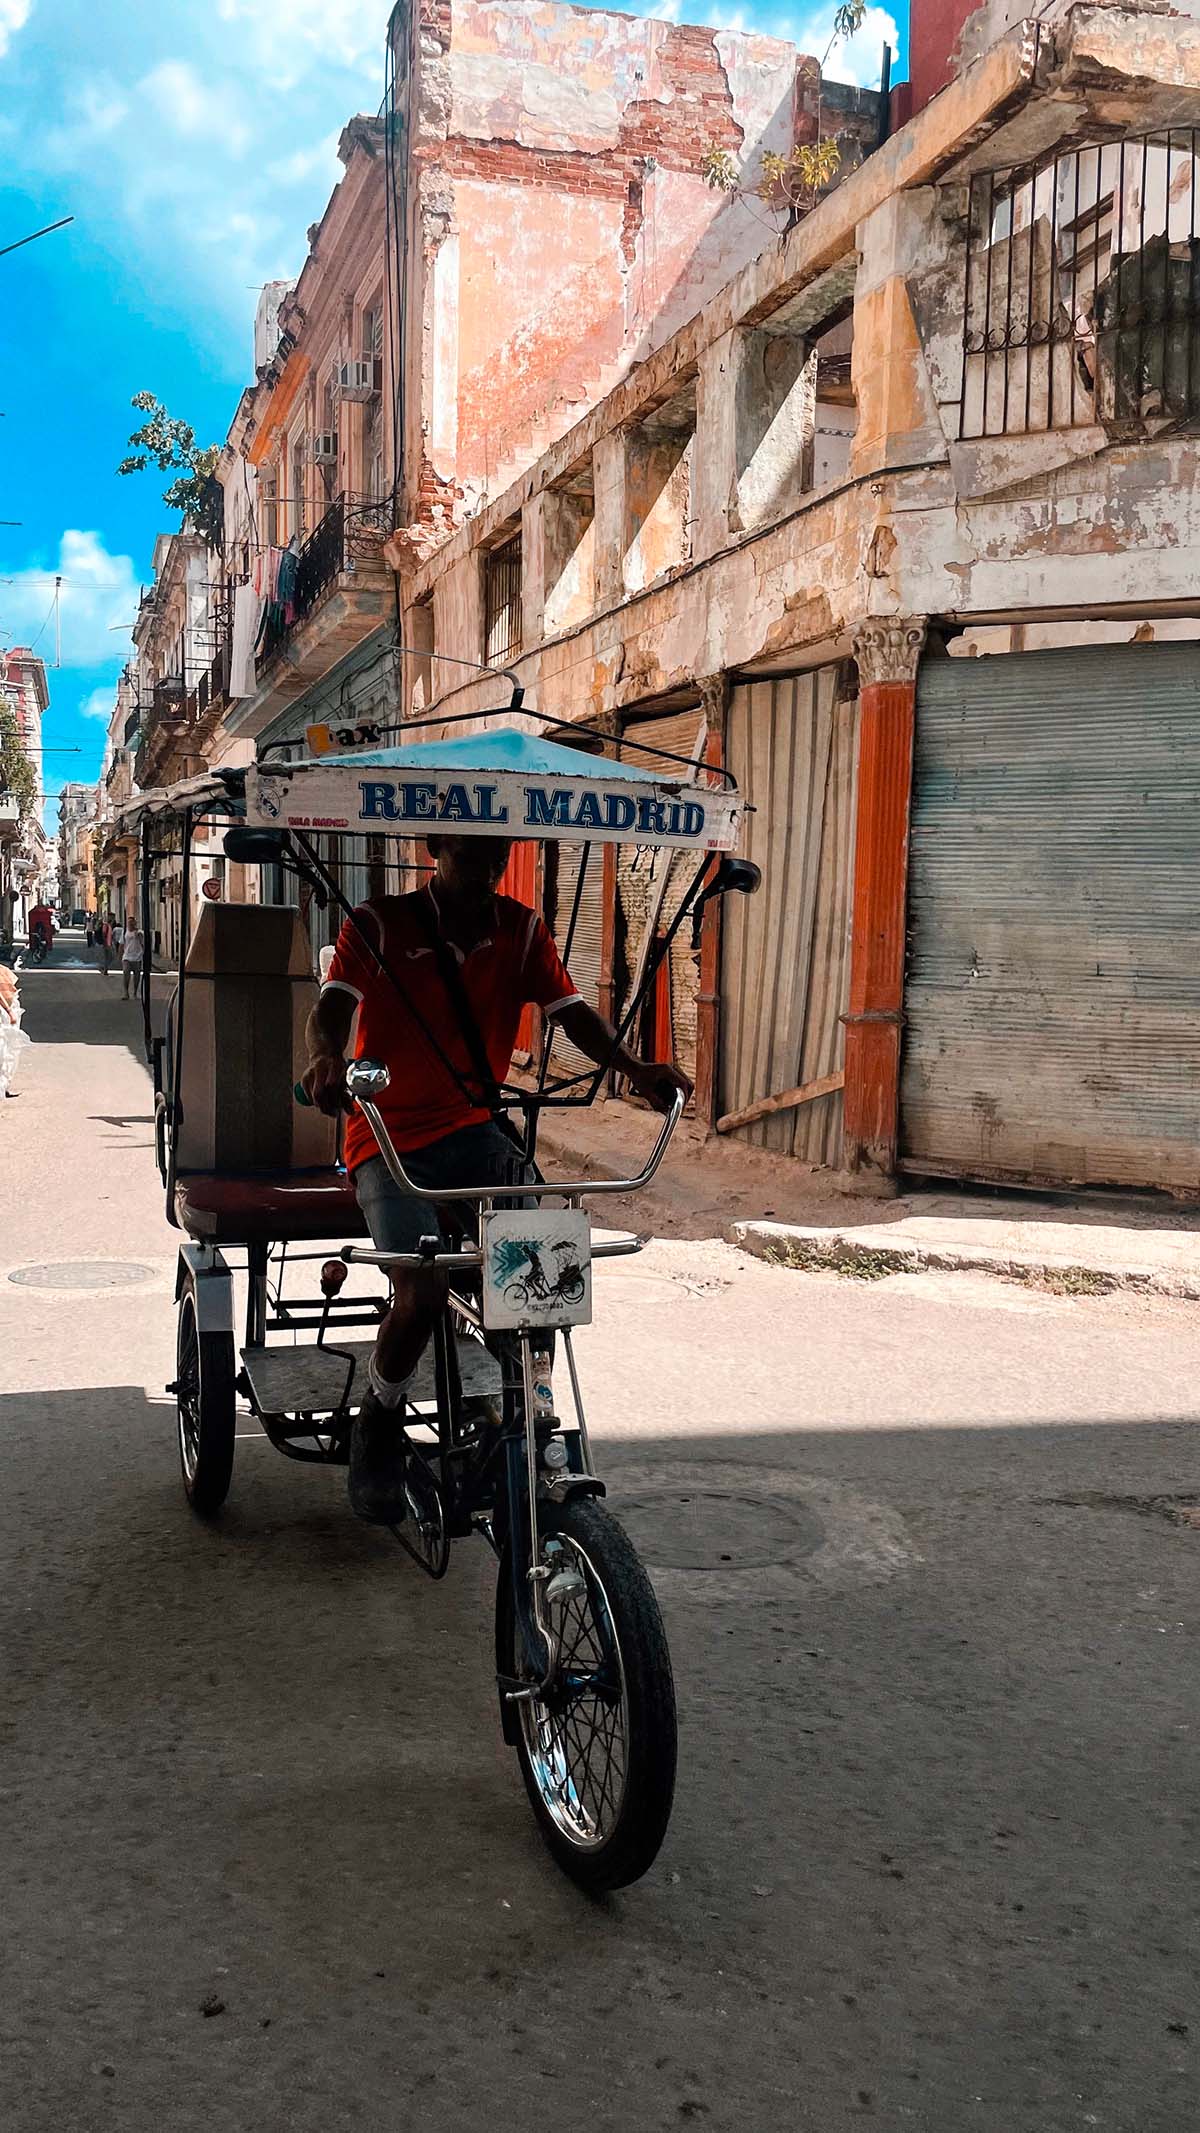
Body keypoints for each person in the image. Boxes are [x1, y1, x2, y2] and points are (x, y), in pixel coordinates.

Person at [303, 834, 691, 1522]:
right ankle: (379, 1418)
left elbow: (571, 1015)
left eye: (496, 857)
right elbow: (330, 1012)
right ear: (435, 849)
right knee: (419, 1294)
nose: (485, 872)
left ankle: (524, 1401)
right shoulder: (377, 922)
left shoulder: (522, 930)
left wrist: (634, 1069)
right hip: (387, 1135)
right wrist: (329, 1058)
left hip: (475, 1131)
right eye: (470, 856)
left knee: (544, 1267)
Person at [120, 918, 145, 1001]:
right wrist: (120, 956)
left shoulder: (139, 932)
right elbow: (121, 944)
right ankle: (126, 992)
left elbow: (143, 943)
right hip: (127, 957)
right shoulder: (124, 932)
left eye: (132, 923)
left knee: (137, 976)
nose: (130, 924)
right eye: (129, 923)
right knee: (126, 973)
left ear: (135, 924)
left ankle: (135, 992)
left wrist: (139, 936)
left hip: (137, 957)